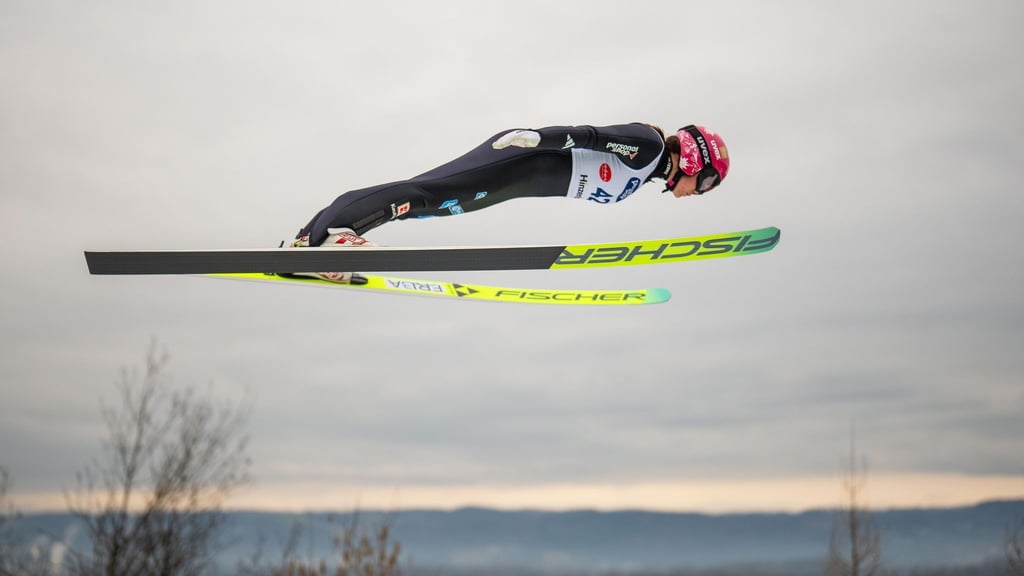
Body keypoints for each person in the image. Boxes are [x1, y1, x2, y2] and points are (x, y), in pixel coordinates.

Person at [289, 123, 731, 283]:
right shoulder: (649, 146)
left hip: (513, 183)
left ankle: (309, 244)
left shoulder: (647, 171)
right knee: (423, 193)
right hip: (520, 159)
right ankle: (335, 236)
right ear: (695, 159)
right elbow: (591, 136)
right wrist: (539, 138)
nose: (701, 190)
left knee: (423, 202)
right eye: (708, 180)